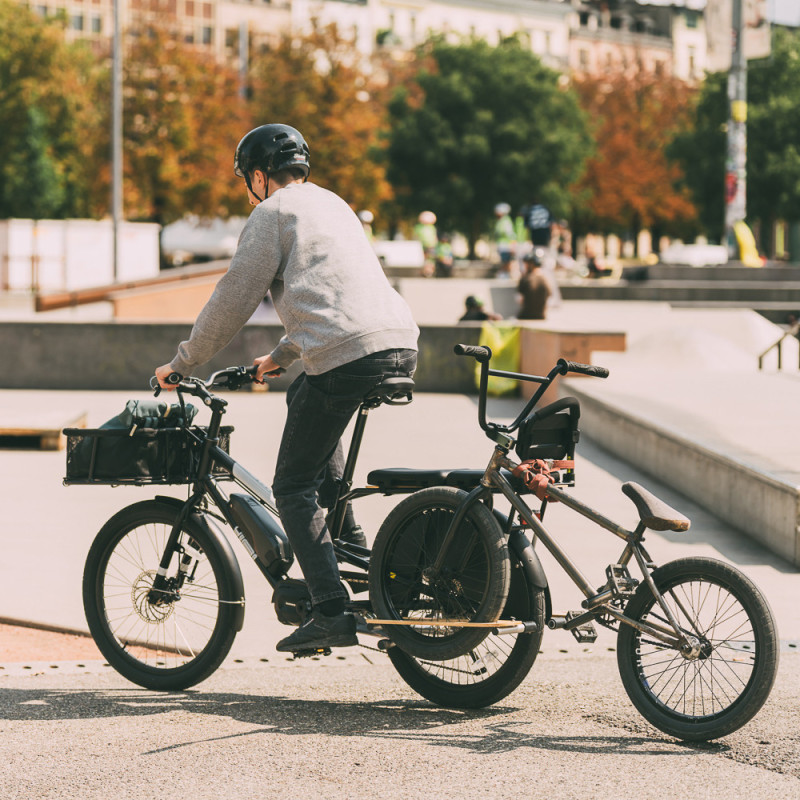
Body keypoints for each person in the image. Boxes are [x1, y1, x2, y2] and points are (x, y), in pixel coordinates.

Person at [154, 124, 419, 654]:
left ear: (258, 175)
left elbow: (233, 297)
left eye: (245, 180)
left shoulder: (271, 213)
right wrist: (277, 359)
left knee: (292, 487)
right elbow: (336, 298)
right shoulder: (334, 205)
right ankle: (353, 559)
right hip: (398, 340)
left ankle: (330, 610)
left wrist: (183, 363)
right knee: (307, 405)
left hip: (348, 354)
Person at [517, 248, 551, 320]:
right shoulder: (545, 279)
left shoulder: (525, 278)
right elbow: (549, 295)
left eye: (525, 264)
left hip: (526, 315)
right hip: (541, 316)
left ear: (530, 264)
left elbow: (520, 299)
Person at [492, 202, 516, 278]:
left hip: (506, 246)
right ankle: (504, 274)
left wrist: (512, 245)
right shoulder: (500, 221)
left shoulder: (506, 221)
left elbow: (510, 234)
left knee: (506, 261)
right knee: (504, 260)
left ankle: (505, 274)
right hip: (502, 245)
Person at [414, 211, 438, 277]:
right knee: (424, 259)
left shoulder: (431, 227)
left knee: (430, 259)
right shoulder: (419, 227)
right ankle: (425, 271)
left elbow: (434, 236)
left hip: (431, 245)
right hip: (422, 245)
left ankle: (429, 271)